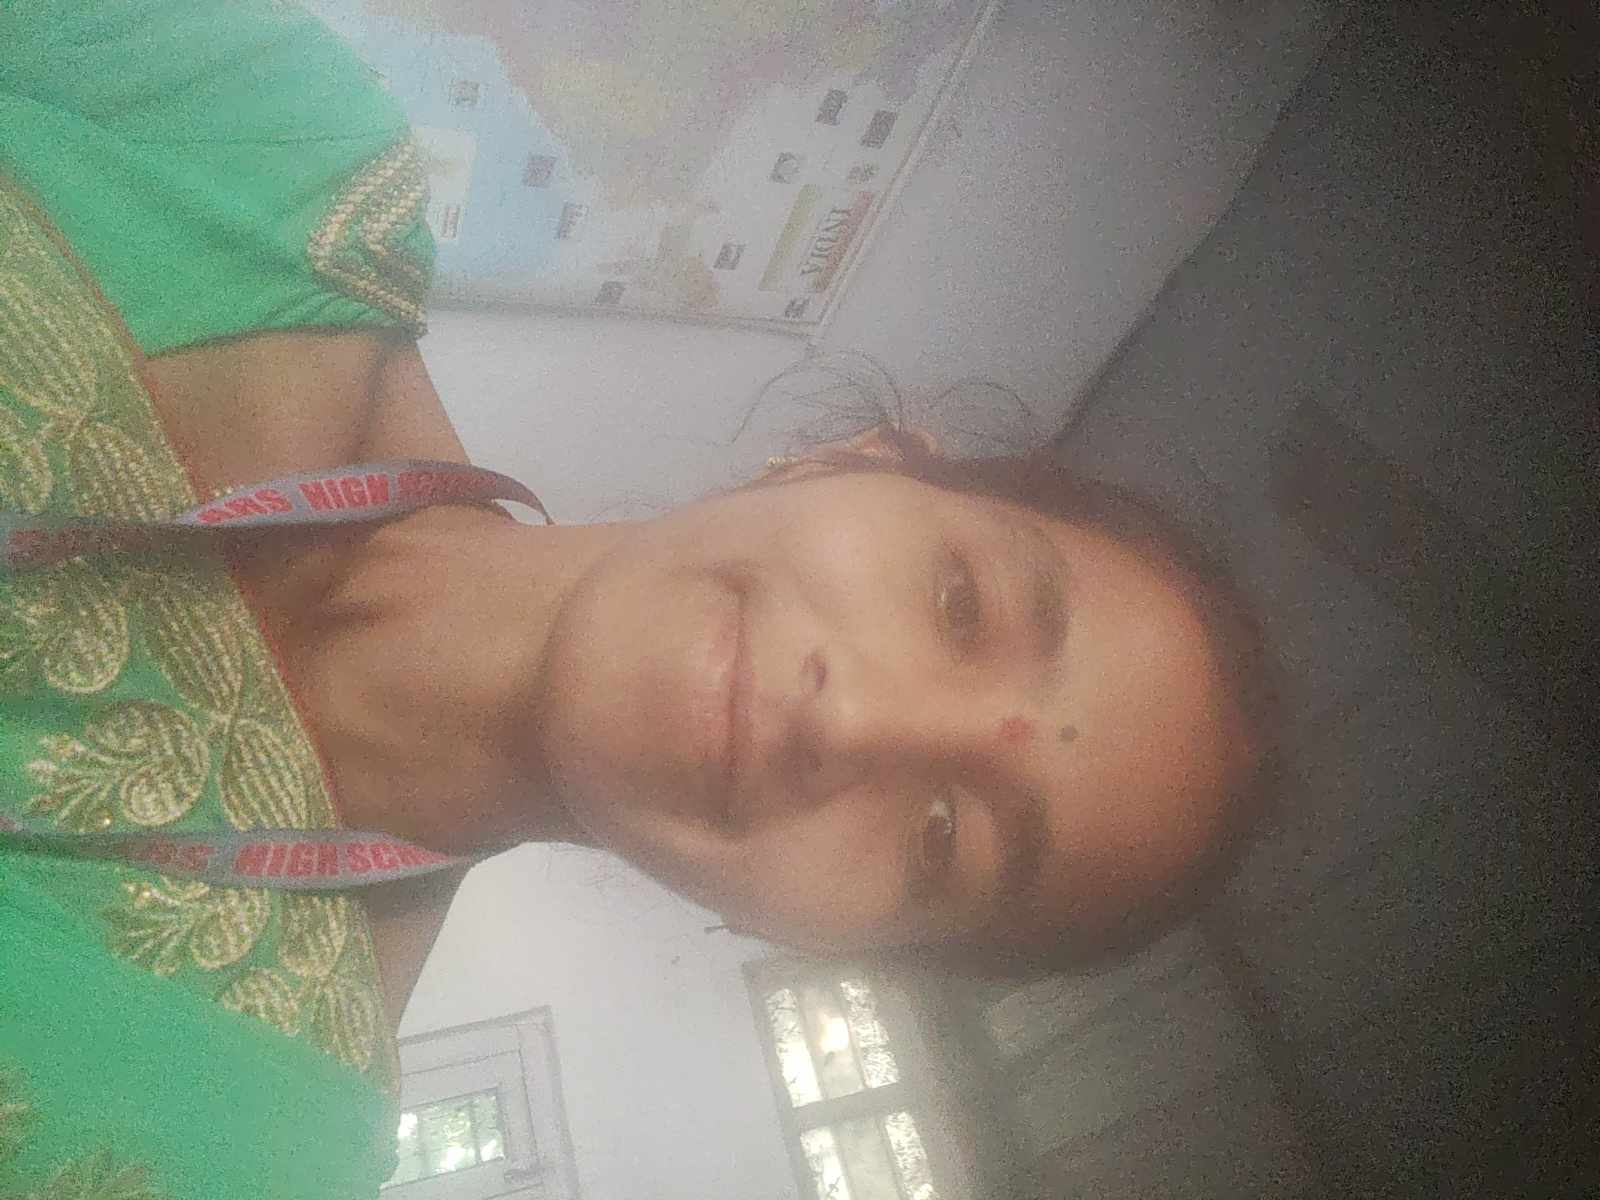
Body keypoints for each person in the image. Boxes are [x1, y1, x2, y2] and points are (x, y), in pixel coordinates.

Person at [0, 2, 1276, 1196]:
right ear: (850, 460)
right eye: (959, 604)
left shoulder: (255, 1142)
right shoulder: (265, 143)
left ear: (827, 942)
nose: (853, 722)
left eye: (943, 839)